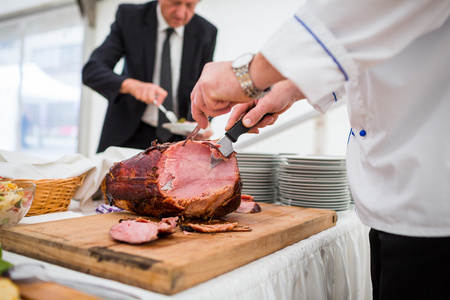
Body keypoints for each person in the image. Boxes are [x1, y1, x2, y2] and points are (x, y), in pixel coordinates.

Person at [190, 1, 450, 299]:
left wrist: (248, 75)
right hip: (398, 213)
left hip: (434, 213)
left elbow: (370, 11)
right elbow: (377, 47)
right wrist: (288, 88)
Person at [82, 0, 217, 153]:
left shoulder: (206, 32)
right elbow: (92, 70)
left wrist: (200, 125)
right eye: (175, 2)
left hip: (178, 141)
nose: (181, 13)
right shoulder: (130, 17)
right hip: (128, 135)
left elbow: (203, 88)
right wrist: (131, 85)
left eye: (189, 5)